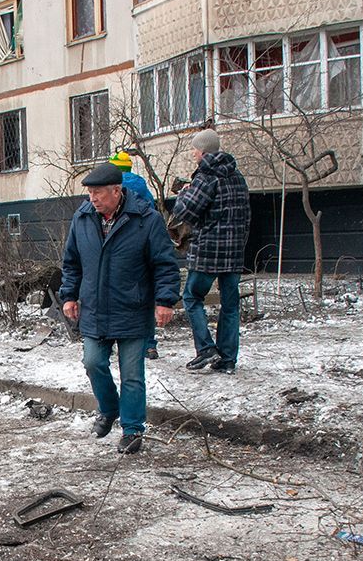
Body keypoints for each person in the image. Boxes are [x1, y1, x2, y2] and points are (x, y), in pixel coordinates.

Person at [60, 162, 178, 455]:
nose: (93, 199)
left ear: (117, 190)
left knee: (132, 375)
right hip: (95, 308)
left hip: (133, 309)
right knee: (92, 362)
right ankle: (109, 409)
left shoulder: (146, 220)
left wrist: (164, 301)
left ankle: (133, 429)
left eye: (98, 193)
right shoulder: (83, 218)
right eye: (90, 193)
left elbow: (164, 264)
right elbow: (72, 262)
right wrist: (69, 296)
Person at [173, 129, 251, 374]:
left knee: (191, 297)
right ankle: (227, 358)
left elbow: (186, 211)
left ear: (204, 151)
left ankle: (206, 348)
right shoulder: (236, 176)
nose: (193, 153)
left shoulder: (206, 176)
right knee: (230, 305)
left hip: (208, 251)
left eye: (195, 149)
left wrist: (185, 192)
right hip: (234, 252)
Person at [109, 150, 164, 361]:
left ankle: (117, 342)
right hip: (145, 249)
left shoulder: (113, 188)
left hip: (122, 250)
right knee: (144, 300)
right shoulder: (141, 185)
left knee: (117, 298)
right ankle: (149, 345)